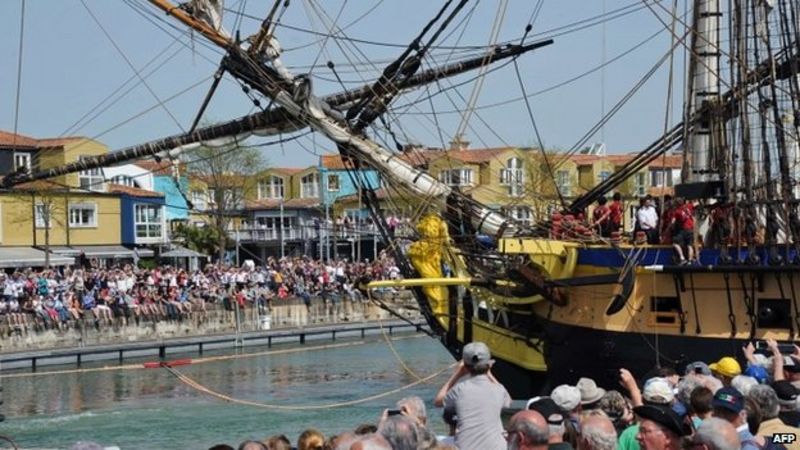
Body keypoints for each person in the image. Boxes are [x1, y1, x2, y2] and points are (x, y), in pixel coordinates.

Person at [434, 341, 511, 450]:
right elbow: (509, 401)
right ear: (489, 365)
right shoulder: (498, 389)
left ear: (465, 366)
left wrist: (458, 374)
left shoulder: (460, 390)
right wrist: (489, 373)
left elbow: (438, 401)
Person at [669, 197, 695, 264]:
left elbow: (672, 222)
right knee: (689, 245)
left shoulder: (677, 211)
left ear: (676, 204)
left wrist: (670, 227)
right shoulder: (688, 207)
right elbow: (695, 204)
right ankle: (690, 261)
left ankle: (682, 258)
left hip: (684, 229)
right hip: (691, 229)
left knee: (675, 243)